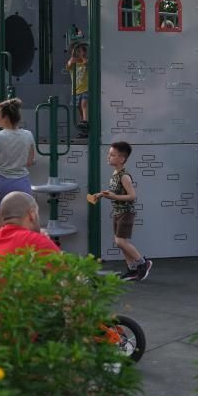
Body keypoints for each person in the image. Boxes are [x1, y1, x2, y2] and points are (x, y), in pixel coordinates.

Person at [91, 141, 152, 281]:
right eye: (109, 154)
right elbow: (115, 191)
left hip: (126, 212)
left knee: (120, 241)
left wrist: (113, 197)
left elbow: (132, 196)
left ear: (122, 159)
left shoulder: (124, 176)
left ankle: (143, 263)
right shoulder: (115, 173)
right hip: (118, 212)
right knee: (120, 242)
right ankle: (132, 269)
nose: (108, 157)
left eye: (112, 155)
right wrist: (101, 194)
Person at [0, 98, 35, 228]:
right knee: (24, 225)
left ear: (6, 118)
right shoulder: (28, 135)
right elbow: (29, 161)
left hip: (0, 183)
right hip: (22, 183)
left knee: (0, 224)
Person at [0, 191, 60, 255]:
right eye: (37, 213)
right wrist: (44, 240)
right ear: (32, 214)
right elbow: (63, 271)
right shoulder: (38, 243)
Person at [66, 43, 89, 136]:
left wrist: (83, 58)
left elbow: (87, 64)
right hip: (76, 90)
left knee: (84, 104)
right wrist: (72, 59)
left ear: (84, 52)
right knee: (79, 107)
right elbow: (68, 66)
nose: (77, 53)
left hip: (86, 88)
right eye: (75, 51)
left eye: (79, 51)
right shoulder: (72, 63)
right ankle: (84, 123)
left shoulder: (85, 62)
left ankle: (85, 121)